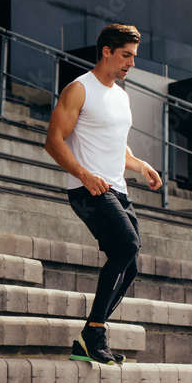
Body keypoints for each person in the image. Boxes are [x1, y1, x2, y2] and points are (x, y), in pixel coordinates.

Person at [44, 24, 162, 365]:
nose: (131, 64)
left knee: (132, 265)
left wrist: (140, 166)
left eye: (134, 57)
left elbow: (115, 144)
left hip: (117, 188)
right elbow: (53, 140)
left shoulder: (121, 96)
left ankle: (90, 336)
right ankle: (94, 331)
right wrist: (84, 174)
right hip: (87, 189)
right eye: (126, 55)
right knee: (127, 245)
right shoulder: (79, 89)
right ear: (107, 51)